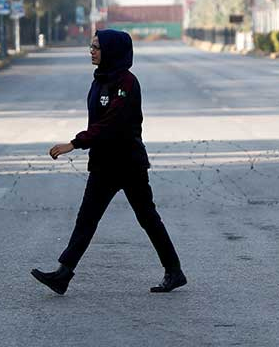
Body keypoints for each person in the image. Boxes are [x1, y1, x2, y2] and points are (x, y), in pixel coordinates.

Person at [31, 29, 187, 295]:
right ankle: (63, 274)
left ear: (111, 51)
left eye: (96, 47)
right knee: (86, 219)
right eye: (91, 46)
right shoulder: (100, 80)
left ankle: (174, 271)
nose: (91, 51)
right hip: (104, 164)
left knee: (147, 217)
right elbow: (99, 121)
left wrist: (75, 143)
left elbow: (111, 123)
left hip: (128, 164)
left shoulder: (127, 82)